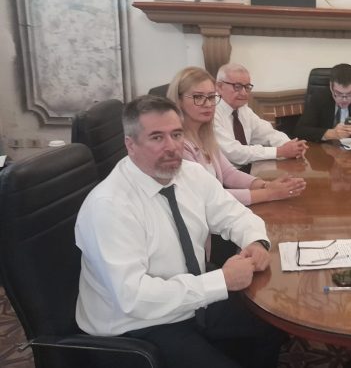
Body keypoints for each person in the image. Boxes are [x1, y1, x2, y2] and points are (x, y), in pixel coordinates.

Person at [75, 95, 285, 368]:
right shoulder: (109, 207)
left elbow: (234, 215)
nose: (172, 146)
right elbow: (133, 298)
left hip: (191, 298)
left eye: (176, 135)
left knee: (272, 324)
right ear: (130, 144)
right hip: (138, 323)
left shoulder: (190, 174)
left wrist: (255, 242)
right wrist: (221, 281)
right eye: (157, 137)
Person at [167, 66, 306, 205]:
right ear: (179, 100)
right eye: (198, 97)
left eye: (211, 97)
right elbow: (208, 196)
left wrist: (266, 185)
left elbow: (228, 173)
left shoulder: (204, 136)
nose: (208, 104)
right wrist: (269, 193)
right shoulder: (178, 145)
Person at [214, 62, 307, 167]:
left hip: (245, 170)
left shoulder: (243, 109)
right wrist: (280, 151)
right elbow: (234, 152)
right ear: (219, 87)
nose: (244, 93)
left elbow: (268, 133)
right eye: (237, 86)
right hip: (222, 175)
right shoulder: (211, 112)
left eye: (247, 87)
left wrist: (291, 145)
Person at [294, 63, 351, 142]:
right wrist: (330, 134)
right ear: (331, 87)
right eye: (338, 94)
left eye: (350, 94)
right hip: (325, 152)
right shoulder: (319, 97)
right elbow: (299, 131)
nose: (344, 100)